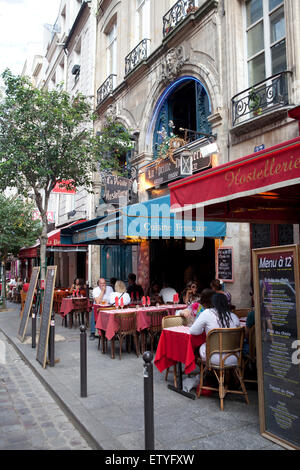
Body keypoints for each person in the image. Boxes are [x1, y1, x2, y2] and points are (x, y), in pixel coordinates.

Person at [190, 293, 240, 366]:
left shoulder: (207, 313)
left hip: (214, 357)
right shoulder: (234, 316)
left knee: (197, 348)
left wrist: (203, 329)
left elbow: (193, 331)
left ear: (212, 303)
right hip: (234, 357)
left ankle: (206, 374)